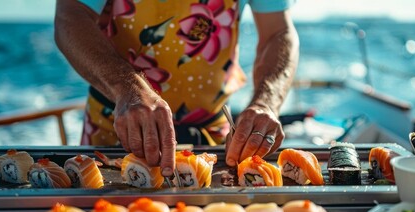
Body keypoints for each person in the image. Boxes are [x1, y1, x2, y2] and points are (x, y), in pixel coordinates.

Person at [54, 0, 299, 177]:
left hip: (214, 141)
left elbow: (278, 32)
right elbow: (71, 15)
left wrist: (266, 103)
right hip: (115, 128)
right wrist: (126, 87)